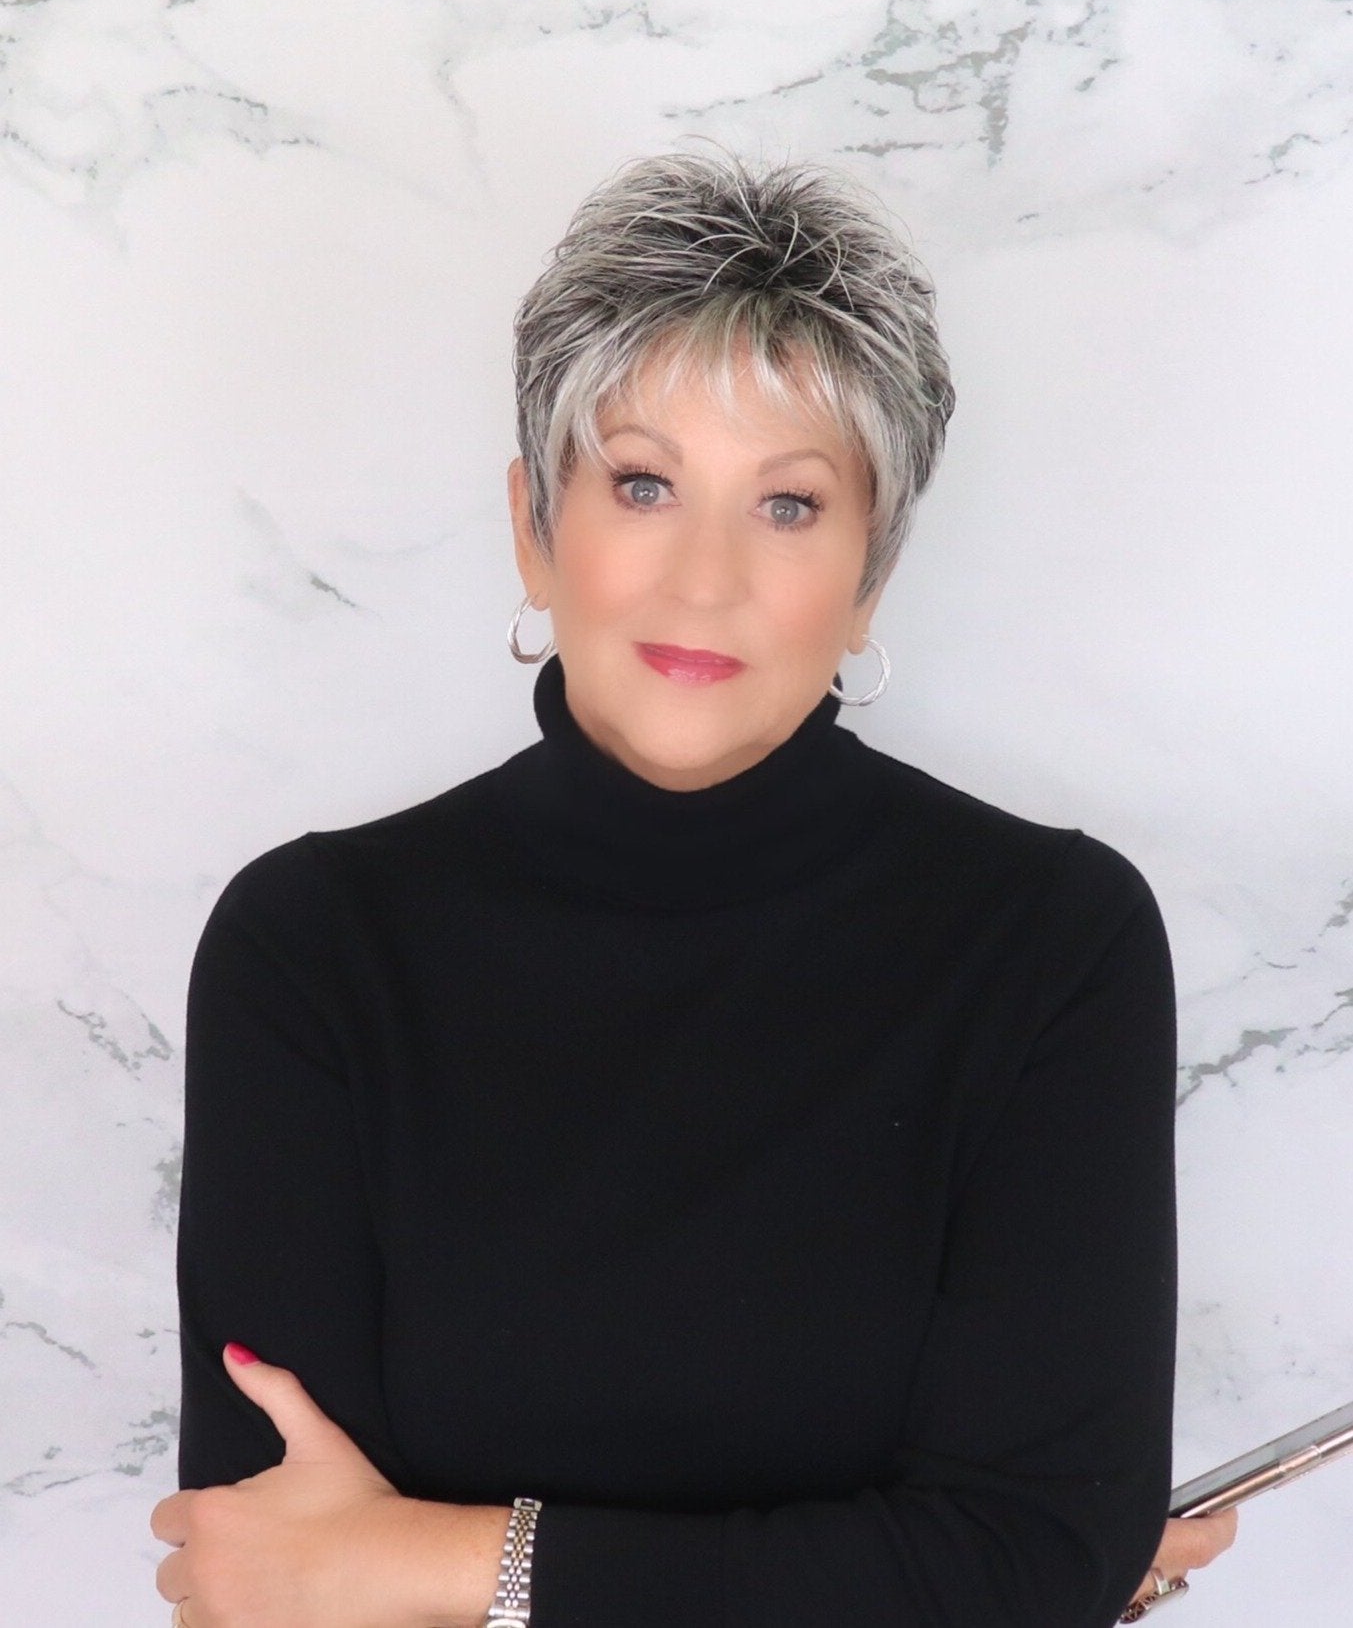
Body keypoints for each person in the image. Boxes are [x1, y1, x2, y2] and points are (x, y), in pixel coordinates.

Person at [150, 151, 1236, 1628]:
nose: (705, 578)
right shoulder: (313, 949)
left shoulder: (1049, 943)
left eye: (788, 505)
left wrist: (440, 1561)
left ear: (869, 576)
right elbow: (268, 1580)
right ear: (535, 527)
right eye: (643, 483)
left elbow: (1025, 1561)